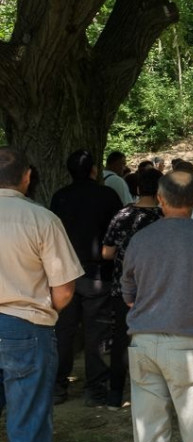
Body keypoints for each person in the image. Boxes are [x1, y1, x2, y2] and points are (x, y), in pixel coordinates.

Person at [122, 171, 193, 442]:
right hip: (190, 340)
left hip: (143, 341)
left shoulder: (141, 239)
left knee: (148, 433)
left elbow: (128, 293)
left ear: (160, 198)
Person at [0, 147, 83, 442]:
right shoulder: (42, 220)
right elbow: (64, 289)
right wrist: (44, 312)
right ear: (27, 176)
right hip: (27, 324)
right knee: (28, 423)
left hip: (24, 324)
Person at [51, 149, 123, 406]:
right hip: (98, 273)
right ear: (94, 170)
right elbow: (117, 234)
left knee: (63, 332)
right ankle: (96, 390)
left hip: (64, 274)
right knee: (98, 333)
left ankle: (58, 387)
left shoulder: (60, 197)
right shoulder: (107, 196)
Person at [100, 168, 164, 409]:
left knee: (121, 339)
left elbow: (107, 252)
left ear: (137, 188)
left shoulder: (123, 214)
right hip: (157, 288)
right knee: (157, 338)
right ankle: (153, 393)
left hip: (123, 286)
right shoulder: (164, 217)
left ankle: (115, 394)